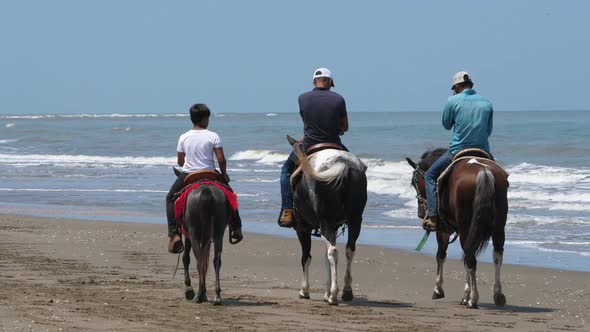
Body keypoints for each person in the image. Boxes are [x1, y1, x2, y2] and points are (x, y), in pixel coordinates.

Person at [166, 104, 243, 253]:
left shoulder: (184, 137)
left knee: (170, 198)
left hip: (189, 173)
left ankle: (174, 234)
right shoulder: (213, 135)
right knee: (231, 196)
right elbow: (221, 159)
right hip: (210, 173)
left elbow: (180, 162)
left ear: (192, 119)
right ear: (205, 119)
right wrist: (224, 173)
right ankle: (236, 228)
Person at [422, 71, 494, 231]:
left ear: (457, 86)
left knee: (430, 176)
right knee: (502, 177)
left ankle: (433, 217)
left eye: (454, 88)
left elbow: (446, 125)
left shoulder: (452, 100)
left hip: (457, 151)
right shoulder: (487, 102)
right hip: (483, 151)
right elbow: (488, 131)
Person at [278, 67, 349, 227]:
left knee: (286, 171)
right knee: (356, 170)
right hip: (334, 144)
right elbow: (345, 127)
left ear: (313, 82)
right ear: (330, 82)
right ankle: (353, 212)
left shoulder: (302, 98)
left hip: (309, 145)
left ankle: (288, 210)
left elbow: (309, 124)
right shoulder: (339, 99)